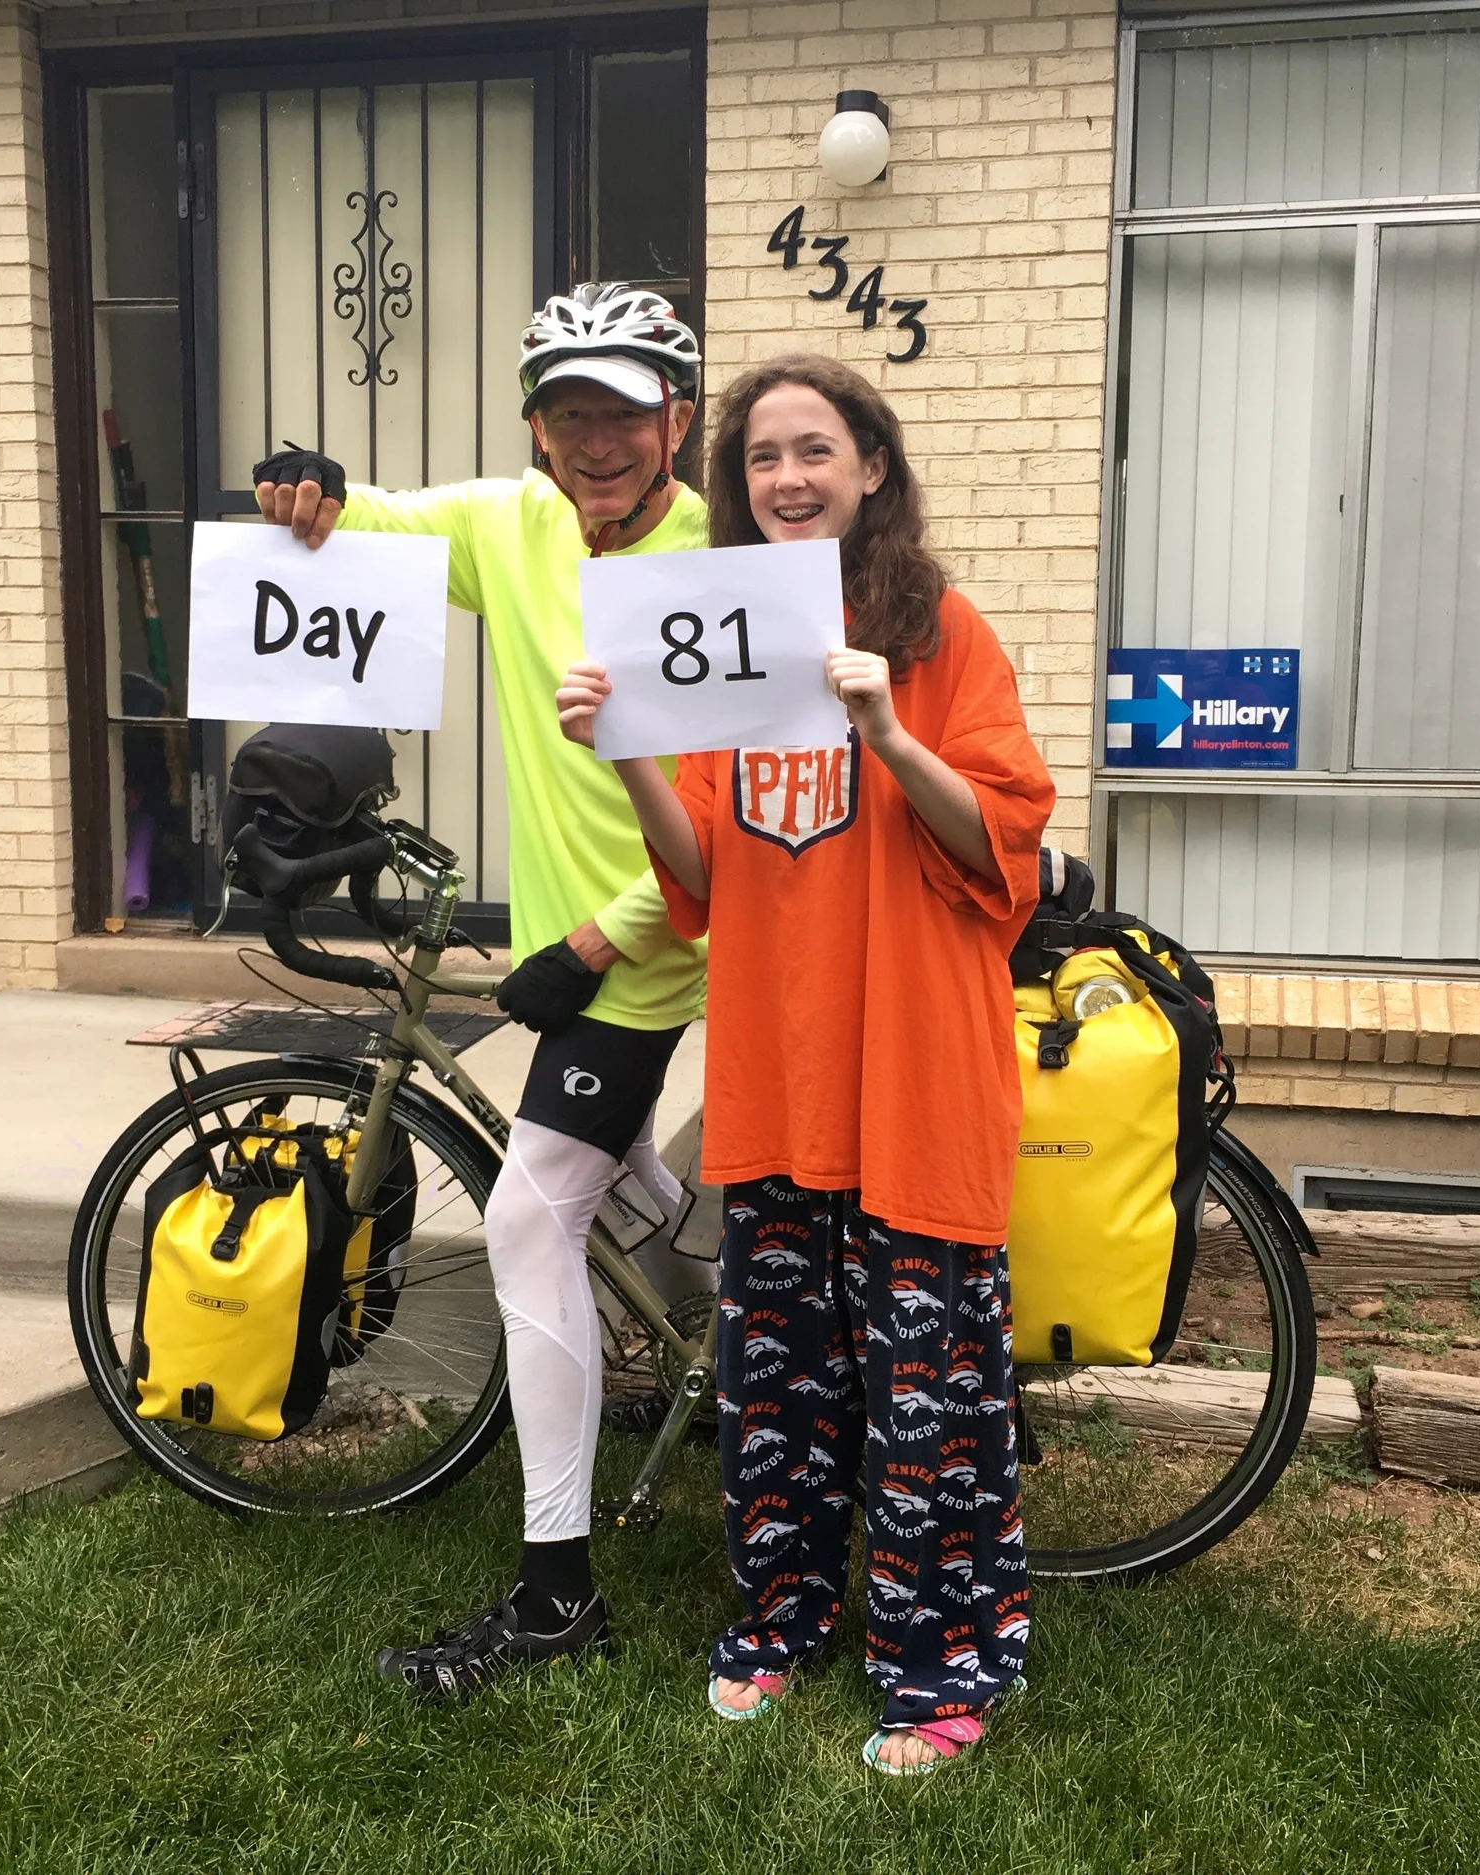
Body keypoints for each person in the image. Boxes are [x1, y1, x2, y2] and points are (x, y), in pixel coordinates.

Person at [555, 354, 1054, 1774]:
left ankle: (943, 1657)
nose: (786, 476)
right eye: (762, 455)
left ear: (872, 466)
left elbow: (996, 851)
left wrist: (888, 728)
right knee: (777, 1383)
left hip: (913, 1082)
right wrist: (624, 752)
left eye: (814, 449)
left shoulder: (940, 629)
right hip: (778, 1083)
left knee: (926, 1391)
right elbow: (702, 868)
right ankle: (782, 1615)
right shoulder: (714, 628)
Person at [252, 283, 707, 1700]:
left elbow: (731, 809)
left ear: (677, 420)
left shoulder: (721, 552)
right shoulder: (511, 525)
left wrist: (591, 947)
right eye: (572, 410)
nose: (599, 438)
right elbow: (370, 521)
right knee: (616, 1190)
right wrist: (307, 492)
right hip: (597, 946)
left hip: (671, 941)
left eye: (627, 409)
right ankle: (732, 1361)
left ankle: (557, 1593)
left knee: (524, 1214)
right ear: (537, 427)